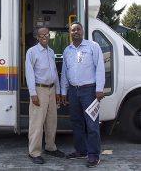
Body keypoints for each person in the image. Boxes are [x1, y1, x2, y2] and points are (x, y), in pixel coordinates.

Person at [60, 22, 105, 168]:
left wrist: (99, 88)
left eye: (78, 29)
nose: (76, 32)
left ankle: (93, 155)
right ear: (70, 33)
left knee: (92, 124)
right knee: (76, 122)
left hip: (89, 91)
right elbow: (64, 74)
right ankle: (81, 150)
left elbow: (100, 68)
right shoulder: (67, 50)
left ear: (83, 31)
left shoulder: (93, 46)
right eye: (73, 30)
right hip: (73, 91)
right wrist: (63, 92)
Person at [25, 27, 65, 164]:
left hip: (52, 90)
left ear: (49, 35)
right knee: (37, 123)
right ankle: (34, 152)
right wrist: (33, 94)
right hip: (39, 90)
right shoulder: (32, 52)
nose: (44, 37)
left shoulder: (51, 52)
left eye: (46, 34)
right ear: (37, 37)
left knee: (51, 121)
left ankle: (50, 147)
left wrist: (58, 91)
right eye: (41, 35)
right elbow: (29, 74)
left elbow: (55, 73)